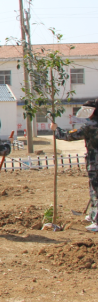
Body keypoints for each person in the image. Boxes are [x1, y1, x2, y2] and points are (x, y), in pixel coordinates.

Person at [52, 99, 98, 232]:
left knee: (96, 191)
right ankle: (93, 214)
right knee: (94, 190)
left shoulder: (91, 125)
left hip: (95, 163)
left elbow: (70, 136)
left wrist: (56, 130)